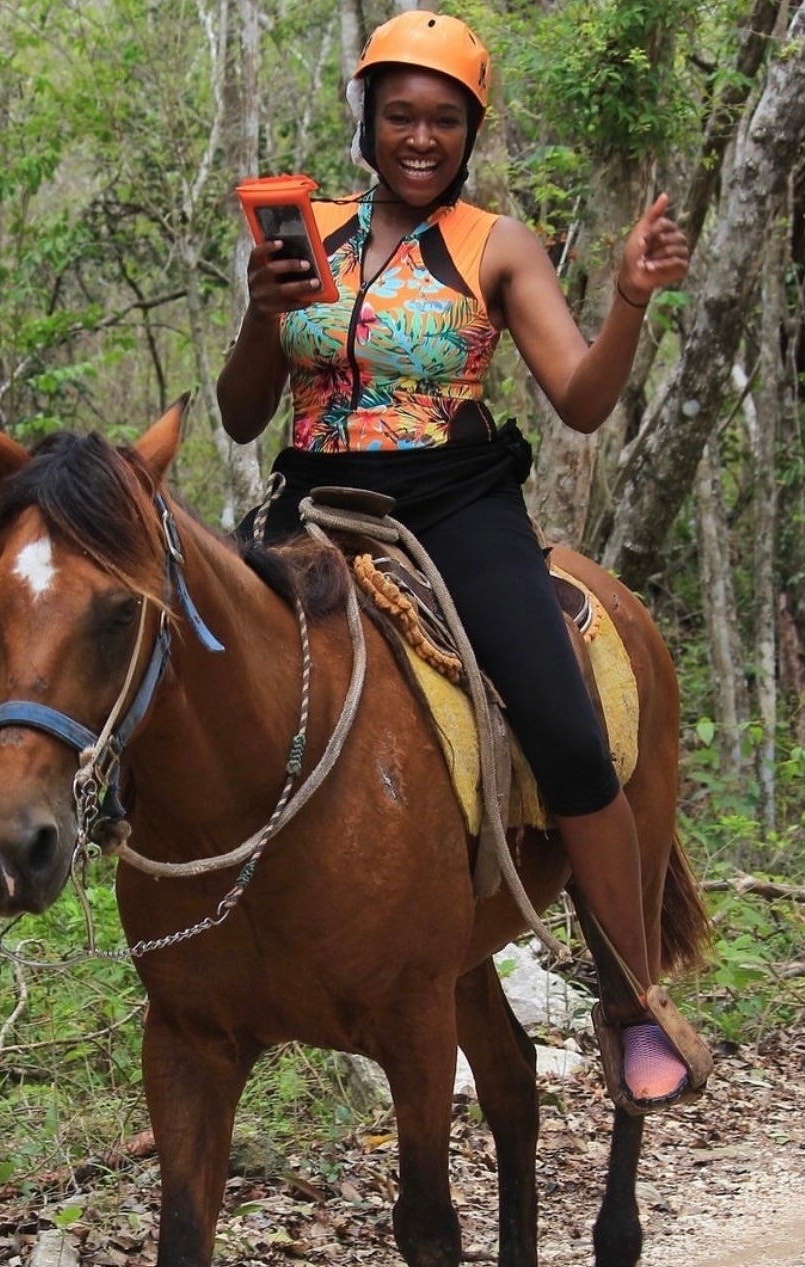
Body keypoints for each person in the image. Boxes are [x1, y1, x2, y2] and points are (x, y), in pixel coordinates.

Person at [216, 9, 694, 1112]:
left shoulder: (497, 244)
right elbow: (245, 417)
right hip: (309, 497)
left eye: (443, 120)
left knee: (569, 726)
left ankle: (628, 997)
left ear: (469, 131)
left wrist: (627, 296)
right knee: (181, 661)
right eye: (399, 117)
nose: (419, 138)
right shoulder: (309, 233)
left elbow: (581, 398)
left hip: (454, 501)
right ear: (368, 121)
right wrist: (259, 314)